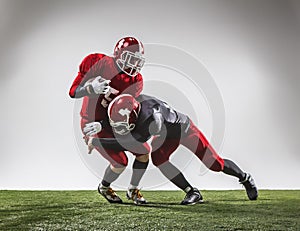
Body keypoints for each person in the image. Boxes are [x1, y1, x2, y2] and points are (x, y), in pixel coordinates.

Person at [84, 94, 258, 205]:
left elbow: (131, 142)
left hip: (185, 131)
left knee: (214, 164)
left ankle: (244, 177)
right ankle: (193, 192)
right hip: (166, 134)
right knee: (159, 159)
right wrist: (102, 124)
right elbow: (121, 117)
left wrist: (98, 143)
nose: (120, 127)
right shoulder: (134, 106)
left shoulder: (151, 120)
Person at [69, 37, 150, 205]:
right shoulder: (98, 62)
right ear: (118, 54)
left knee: (144, 151)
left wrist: (106, 124)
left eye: (137, 60)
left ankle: (133, 189)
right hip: (91, 123)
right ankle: (104, 187)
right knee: (120, 162)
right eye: (131, 58)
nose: (134, 64)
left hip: (112, 124)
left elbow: (123, 110)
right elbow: (73, 91)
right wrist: (89, 88)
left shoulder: (136, 81)